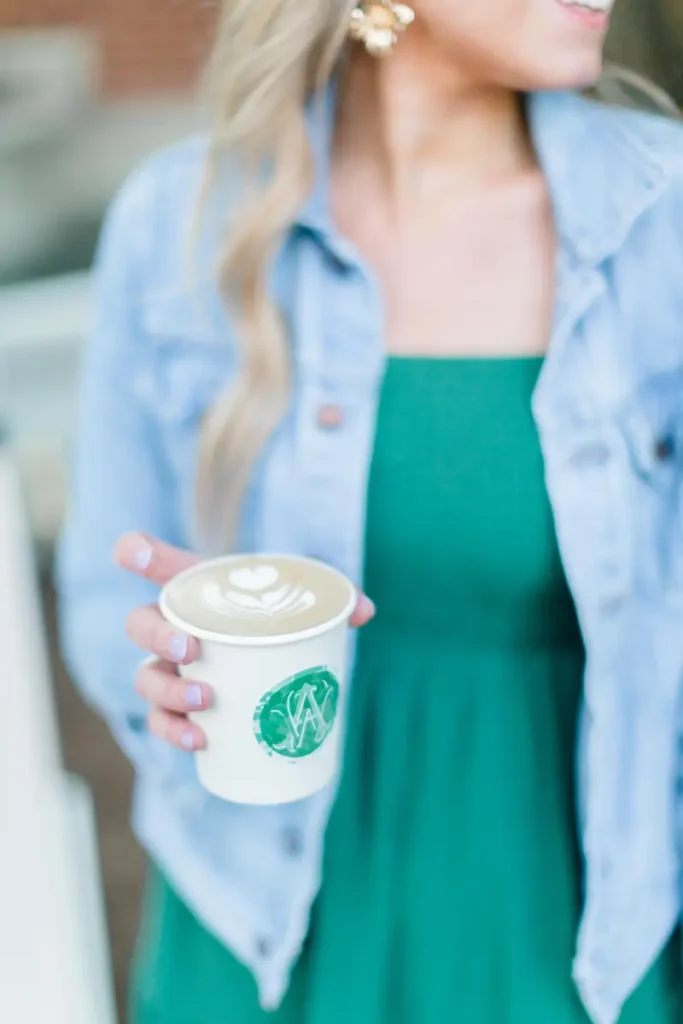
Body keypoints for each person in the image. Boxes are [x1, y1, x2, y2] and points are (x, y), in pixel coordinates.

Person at [56, 1, 683, 1022]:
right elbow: (101, 589)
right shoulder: (181, 219)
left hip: (578, 932)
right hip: (259, 927)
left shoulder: (661, 221)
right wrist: (159, 675)